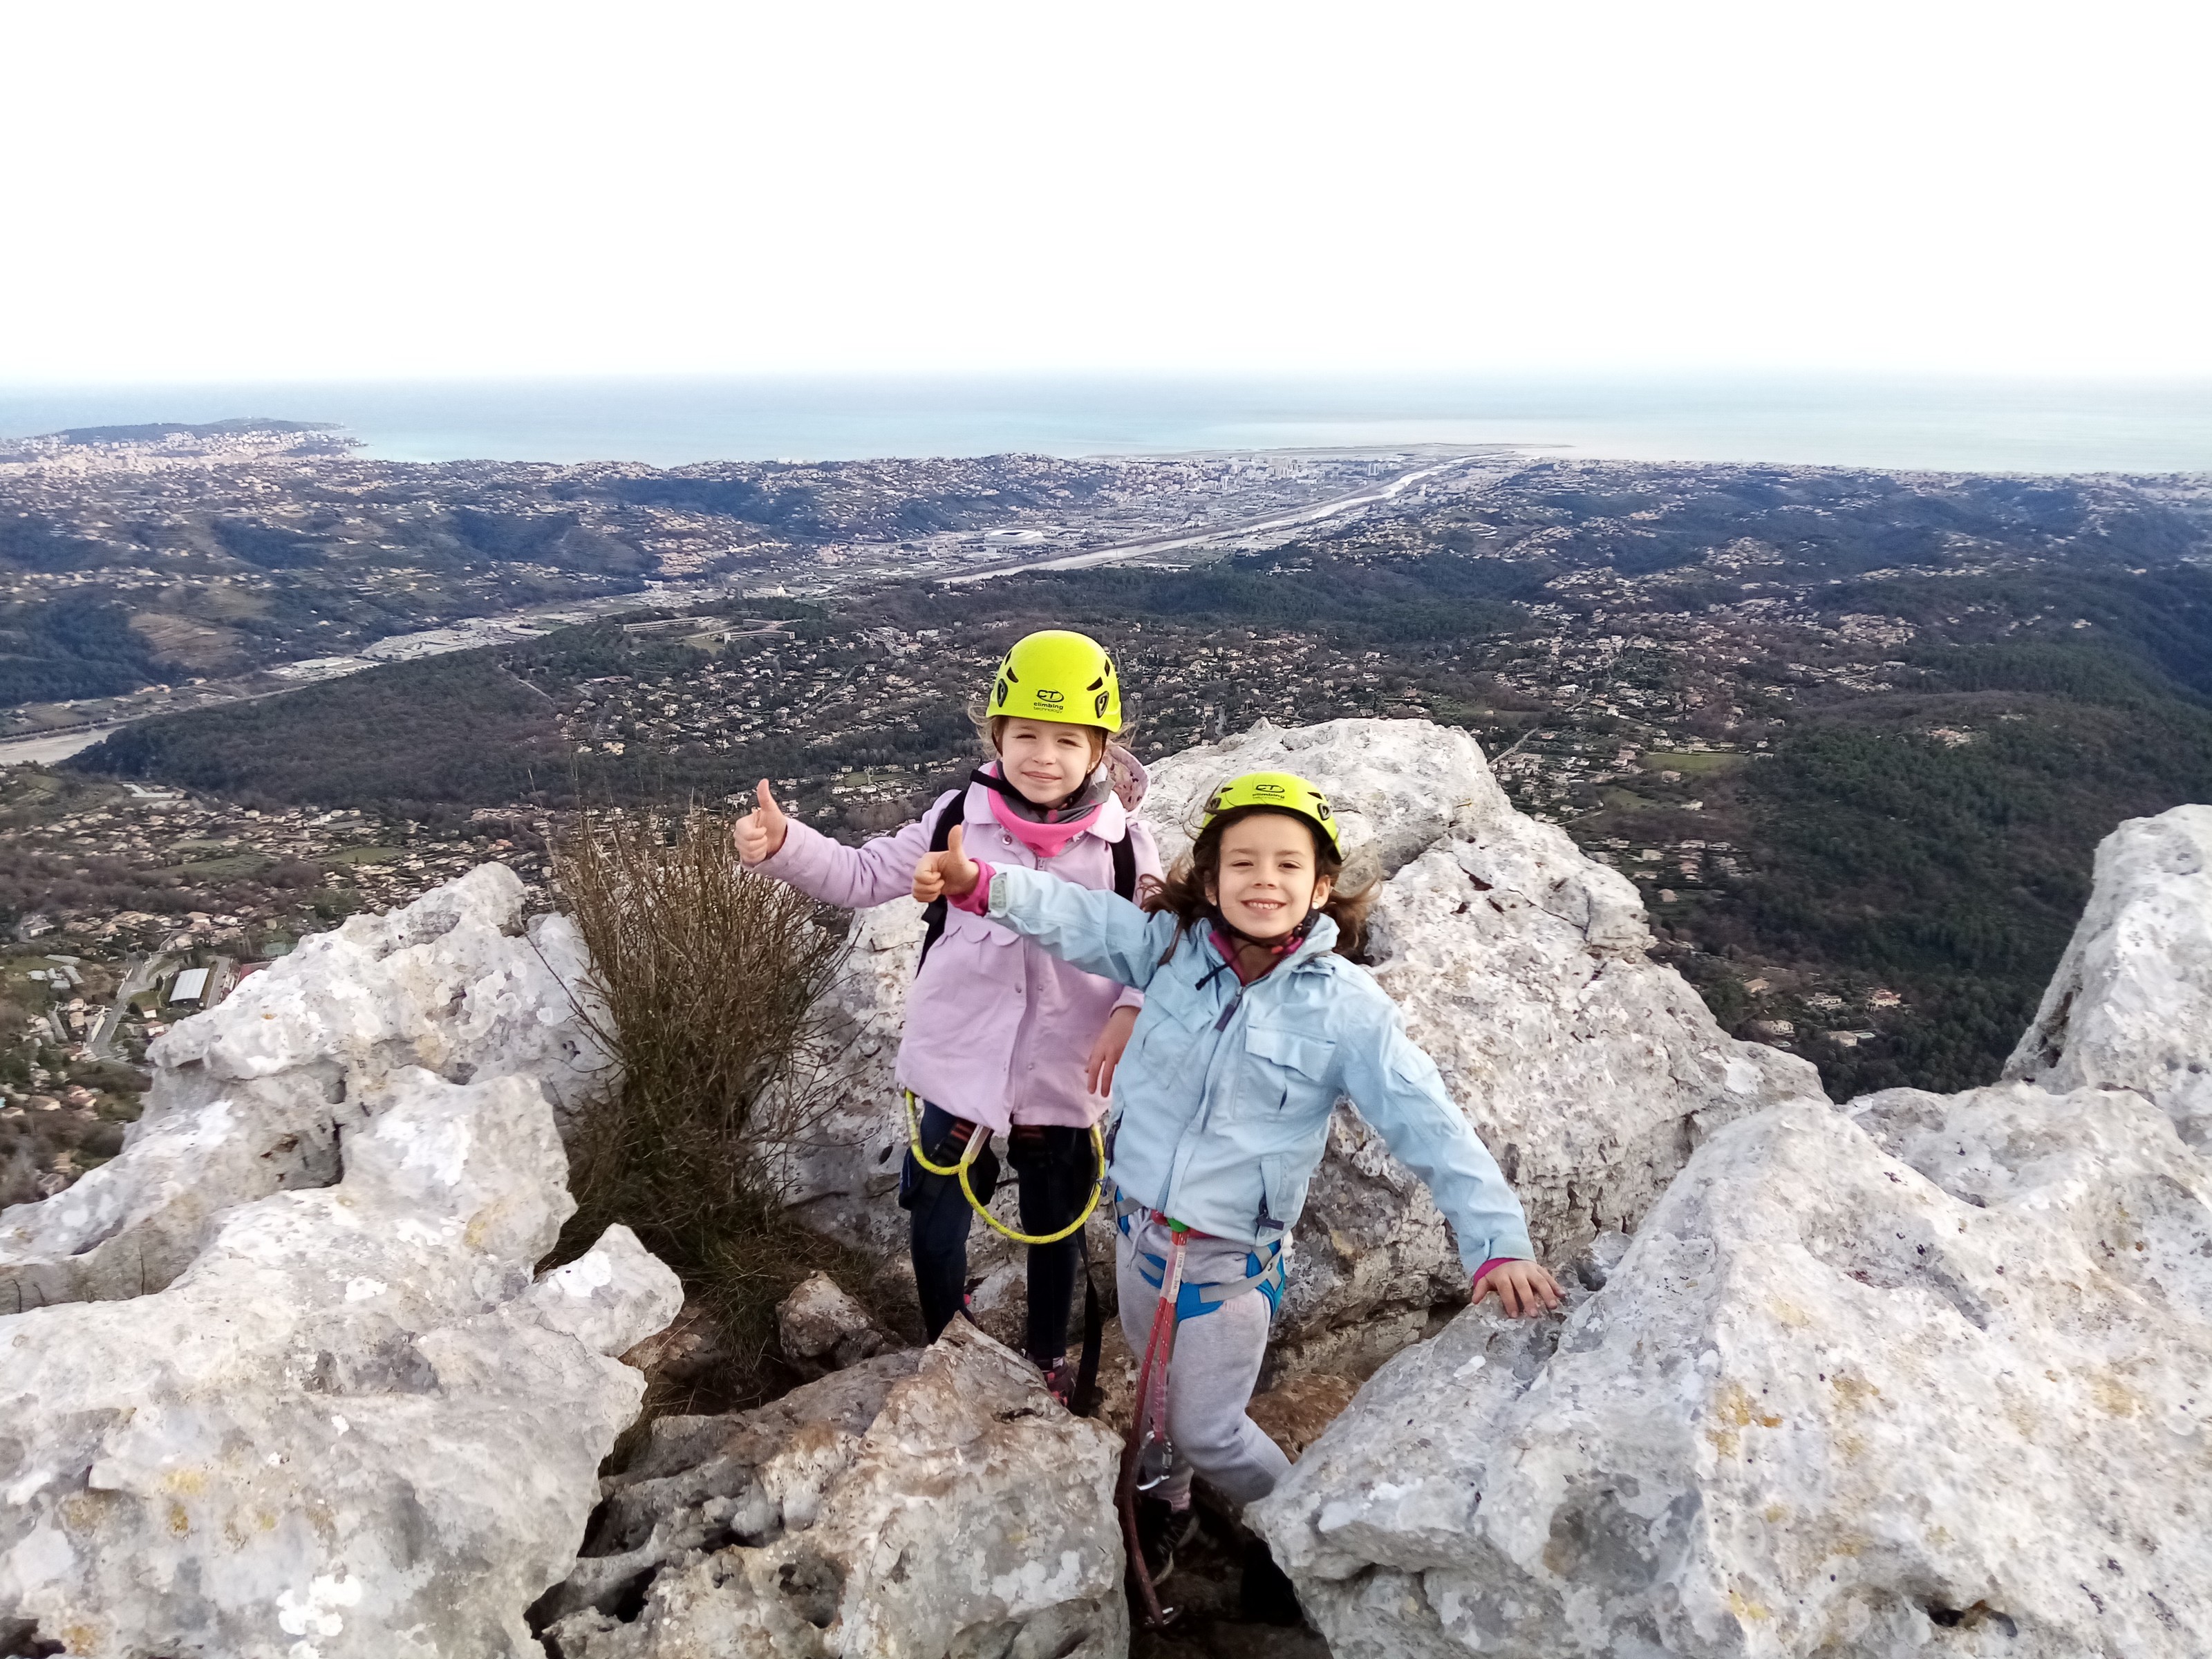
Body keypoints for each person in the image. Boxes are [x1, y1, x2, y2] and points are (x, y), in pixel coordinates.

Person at [912, 769, 1562, 1622]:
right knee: (1153, 1402)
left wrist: (1497, 1243)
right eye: (1242, 862)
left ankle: (1295, 1540)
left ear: (1320, 887)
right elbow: (1077, 917)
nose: (1264, 881)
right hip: (1141, 1235)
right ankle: (1168, 1503)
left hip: (1227, 1266)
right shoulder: (1168, 953)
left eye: (1288, 866)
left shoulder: (1345, 1011)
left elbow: (1430, 1126)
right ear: (1210, 878)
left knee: (1209, 1428)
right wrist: (980, 883)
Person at [734, 629, 1162, 1402]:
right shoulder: (956, 819)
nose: (1043, 756)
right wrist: (784, 844)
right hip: (963, 1059)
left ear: (1101, 749)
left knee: (1055, 1222)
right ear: (997, 735)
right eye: (1025, 735)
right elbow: (862, 876)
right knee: (935, 1214)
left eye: (1067, 740)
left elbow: (1157, 945)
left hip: (1063, 1067)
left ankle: (1045, 1358)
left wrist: (1131, 1009)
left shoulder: (1125, 849)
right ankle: (946, 1346)